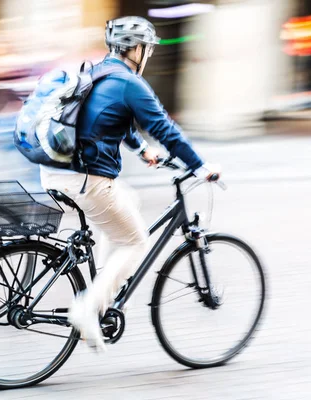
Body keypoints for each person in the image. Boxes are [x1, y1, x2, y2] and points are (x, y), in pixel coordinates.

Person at [40, 16, 221, 351]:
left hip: (58, 171)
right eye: (147, 48)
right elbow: (166, 129)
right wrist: (199, 166)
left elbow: (111, 118)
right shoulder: (130, 83)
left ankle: (105, 288)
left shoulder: (98, 72)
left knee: (128, 203)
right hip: (86, 178)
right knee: (136, 242)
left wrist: (141, 149)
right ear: (135, 48)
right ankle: (88, 308)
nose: (148, 55)